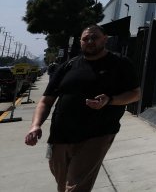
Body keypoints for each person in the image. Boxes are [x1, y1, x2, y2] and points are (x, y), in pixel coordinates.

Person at [24, 25, 141, 192]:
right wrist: (35, 126)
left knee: (77, 187)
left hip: (96, 134)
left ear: (104, 39)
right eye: (86, 39)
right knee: (62, 185)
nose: (90, 42)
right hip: (60, 135)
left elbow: (135, 94)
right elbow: (46, 101)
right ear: (80, 42)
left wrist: (110, 100)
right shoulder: (68, 66)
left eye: (95, 37)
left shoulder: (120, 64)